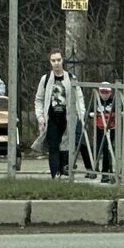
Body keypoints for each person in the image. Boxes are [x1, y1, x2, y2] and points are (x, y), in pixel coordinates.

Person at [34, 51, 75, 180]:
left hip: (66, 116)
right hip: (51, 116)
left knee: (66, 144)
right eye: (53, 60)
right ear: (50, 62)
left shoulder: (71, 78)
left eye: (58, 60)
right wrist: (40, 117)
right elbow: (39, 99)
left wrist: (80, 115)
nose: (56, 63)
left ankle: (64, 169)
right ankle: (55, 174)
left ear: (63, 61)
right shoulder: (45, 79)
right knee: (53, 145)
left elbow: (79, 98)